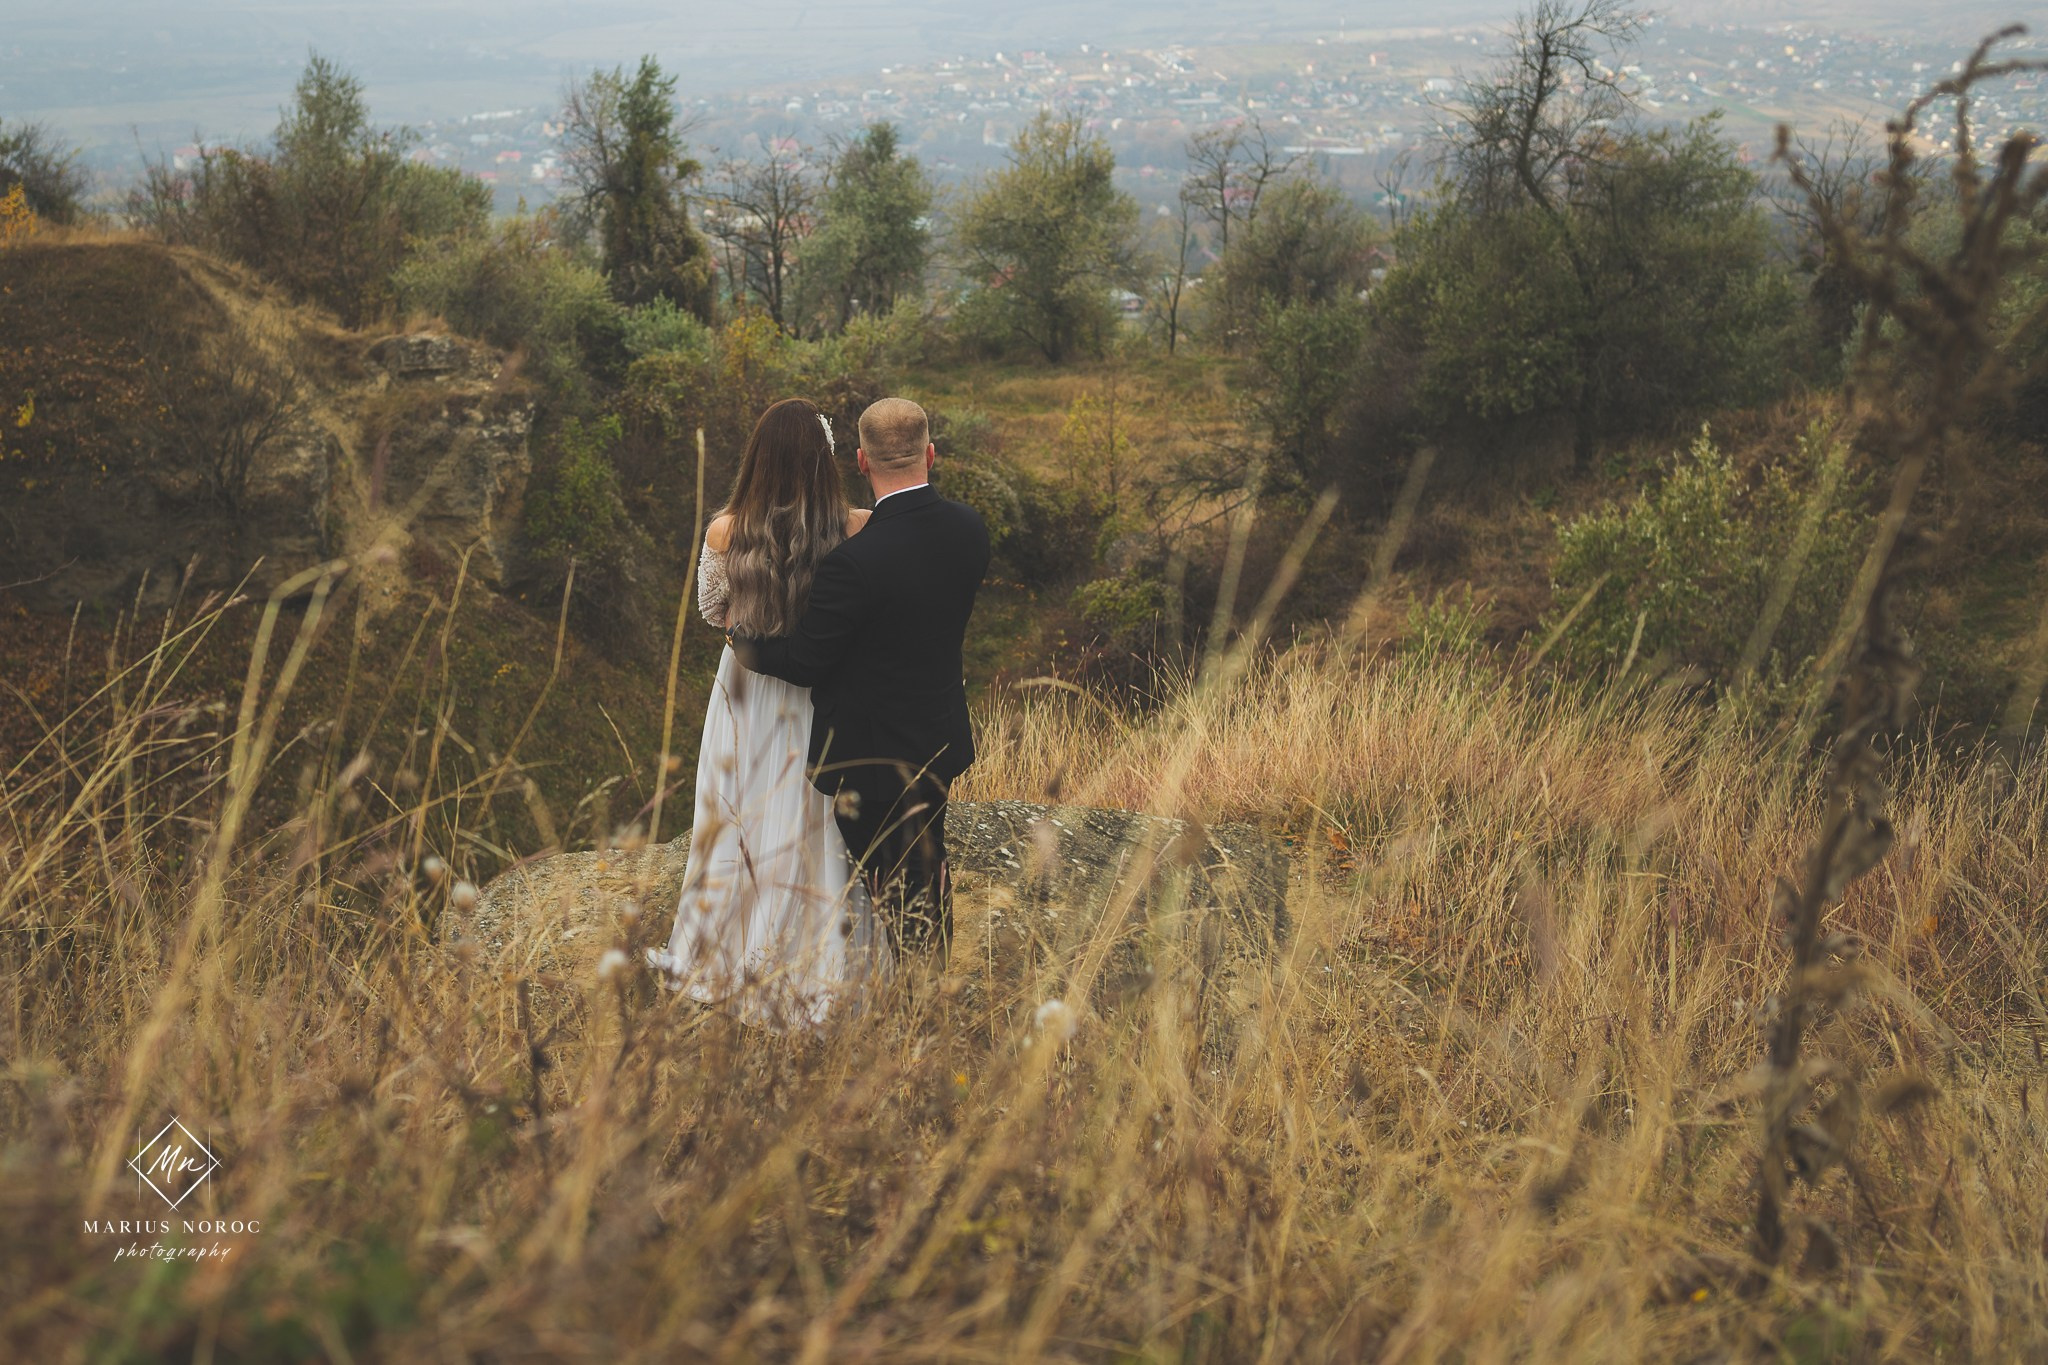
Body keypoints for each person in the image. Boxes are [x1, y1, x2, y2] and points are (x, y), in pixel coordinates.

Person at [648, 397, 891, 1029]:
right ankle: (820, 965)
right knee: (817, 822)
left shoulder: (726, 530)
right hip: (822, 688)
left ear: (758, 454)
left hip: (749, 688)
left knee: (736, 815)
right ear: (824, 457)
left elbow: (711, 614)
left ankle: (730, 956)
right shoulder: (858, 526)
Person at [733, 396, 991, 960]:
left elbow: (804, 662)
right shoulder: (969, 529)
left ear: (860, 461)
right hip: (938, 737)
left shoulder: (854, 562)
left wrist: (743, 645)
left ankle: (923, 997)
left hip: (870, 758)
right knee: (926, 864)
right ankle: (931, 976)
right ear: (930, 452)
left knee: (894, 887)